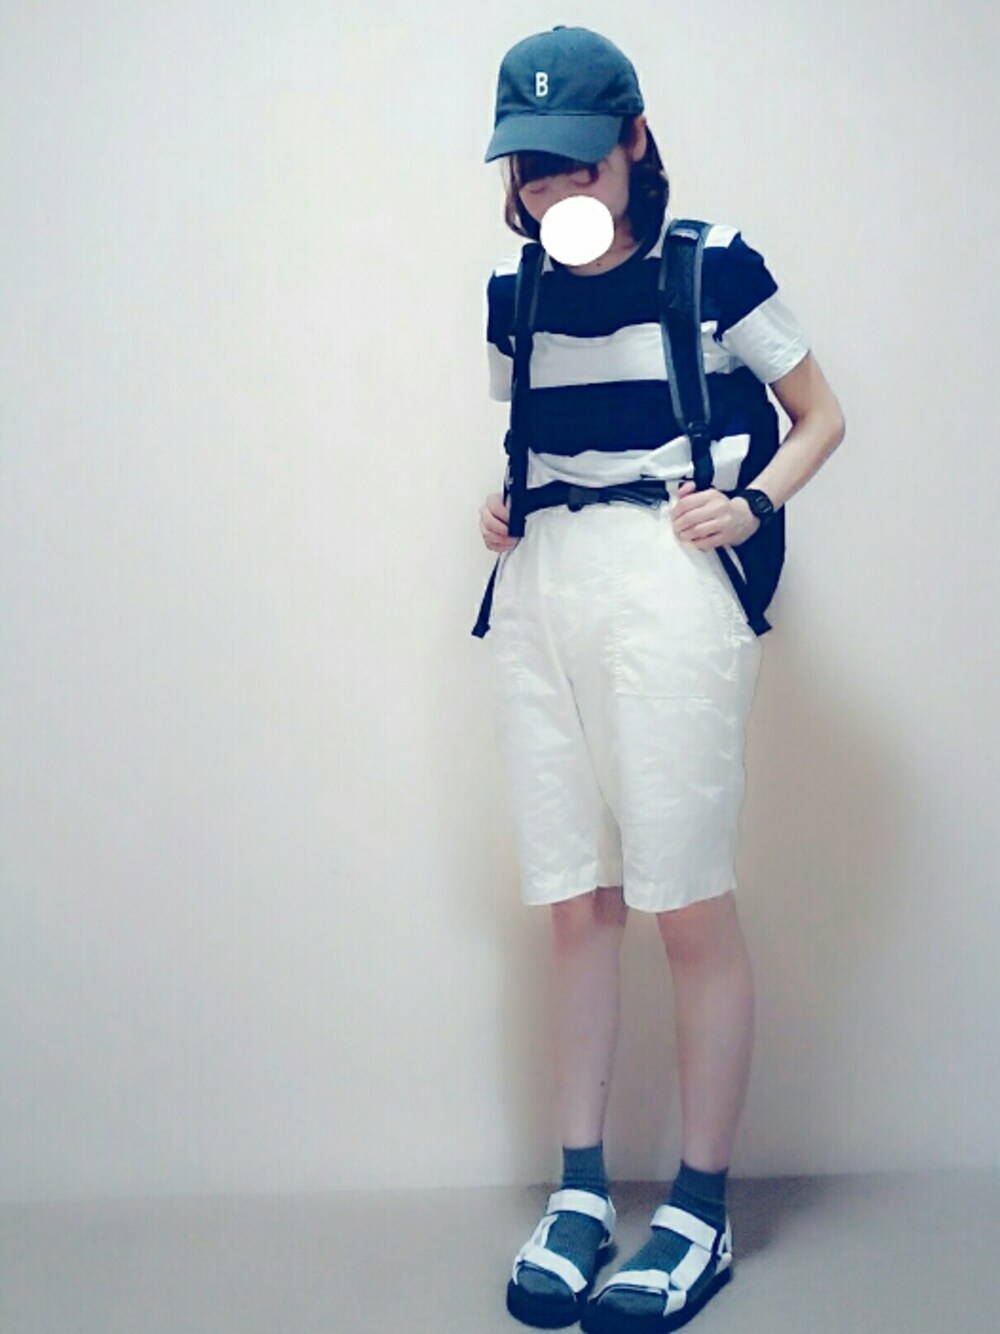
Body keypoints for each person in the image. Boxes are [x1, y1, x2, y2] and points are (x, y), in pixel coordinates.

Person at [477, 26, 844, 1334]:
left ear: (634, 141)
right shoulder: (510, 291)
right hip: (544, 593)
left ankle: (699, 1208)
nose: (554, 194)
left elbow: (821, 414)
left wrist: (752, 503)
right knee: (576, 901)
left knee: (682, 899)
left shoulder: (714, 262)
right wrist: (504, 506)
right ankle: (580, 1189)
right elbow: (540, 437)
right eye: (532, 171)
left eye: (577, 164)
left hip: (670, 586)